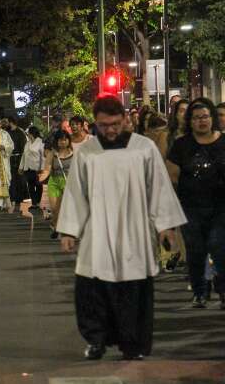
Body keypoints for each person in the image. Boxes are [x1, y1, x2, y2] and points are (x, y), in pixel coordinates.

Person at [57, 96, 186, 361]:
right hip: (98, 231)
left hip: (135, 230)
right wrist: (69, 230)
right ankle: (96, 340)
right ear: (96, 123)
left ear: (125, 119)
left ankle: (133, 344)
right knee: (92, 291)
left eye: (115, 124)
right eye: (104, 125)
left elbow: (159, 188)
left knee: (134, 292)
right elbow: (75, 193)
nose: (111, 130)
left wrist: (165, 227)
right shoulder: (88, 153)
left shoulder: (144, 149)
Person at [167, 98, 225, 310]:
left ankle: (223, 289)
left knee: (218, 246)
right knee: (196, 250)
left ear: (212, 119)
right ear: (189, 121)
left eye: (206, 117)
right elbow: (172, 174)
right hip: (191, 207)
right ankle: (200, 292)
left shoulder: (223, 142)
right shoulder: (182, 145)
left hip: (220, 207)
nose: (202, 121)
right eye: (197, 118)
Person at [39, 130, 73, 239]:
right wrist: (43, 176)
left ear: (68, 140)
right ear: (56, 141)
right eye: (60, 140)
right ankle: (56, 226)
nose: (63, 142)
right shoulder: (52, 154)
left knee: (64, 208)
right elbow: (47, 169)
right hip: (54, 182)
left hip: (68, 182)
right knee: (54, 209)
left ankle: (61, 229)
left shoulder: (74, 153)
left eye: (65, 139)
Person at [19, 126, 44, 210]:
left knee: (38, 185)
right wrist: (21, 167)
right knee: (30, 186)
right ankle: (34, 203)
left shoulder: (40, 143)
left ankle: (37, 201)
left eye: (28, 133)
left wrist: (42, 168)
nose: (28, 134)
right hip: (28, 167)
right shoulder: (28, 143)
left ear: (32, 133)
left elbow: (43, 157)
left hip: (37, 168)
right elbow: (24, 155)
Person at [6, 115, 27, 208]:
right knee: (11, 179)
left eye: (6, 122)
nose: (4, 124)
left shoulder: (20, 133)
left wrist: (22, 161)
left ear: (11, 122)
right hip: (9, 158)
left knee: (20, 179)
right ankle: (12, 197)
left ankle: (20, 198)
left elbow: (23, 148)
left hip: (19, 158)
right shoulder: (7, 132)